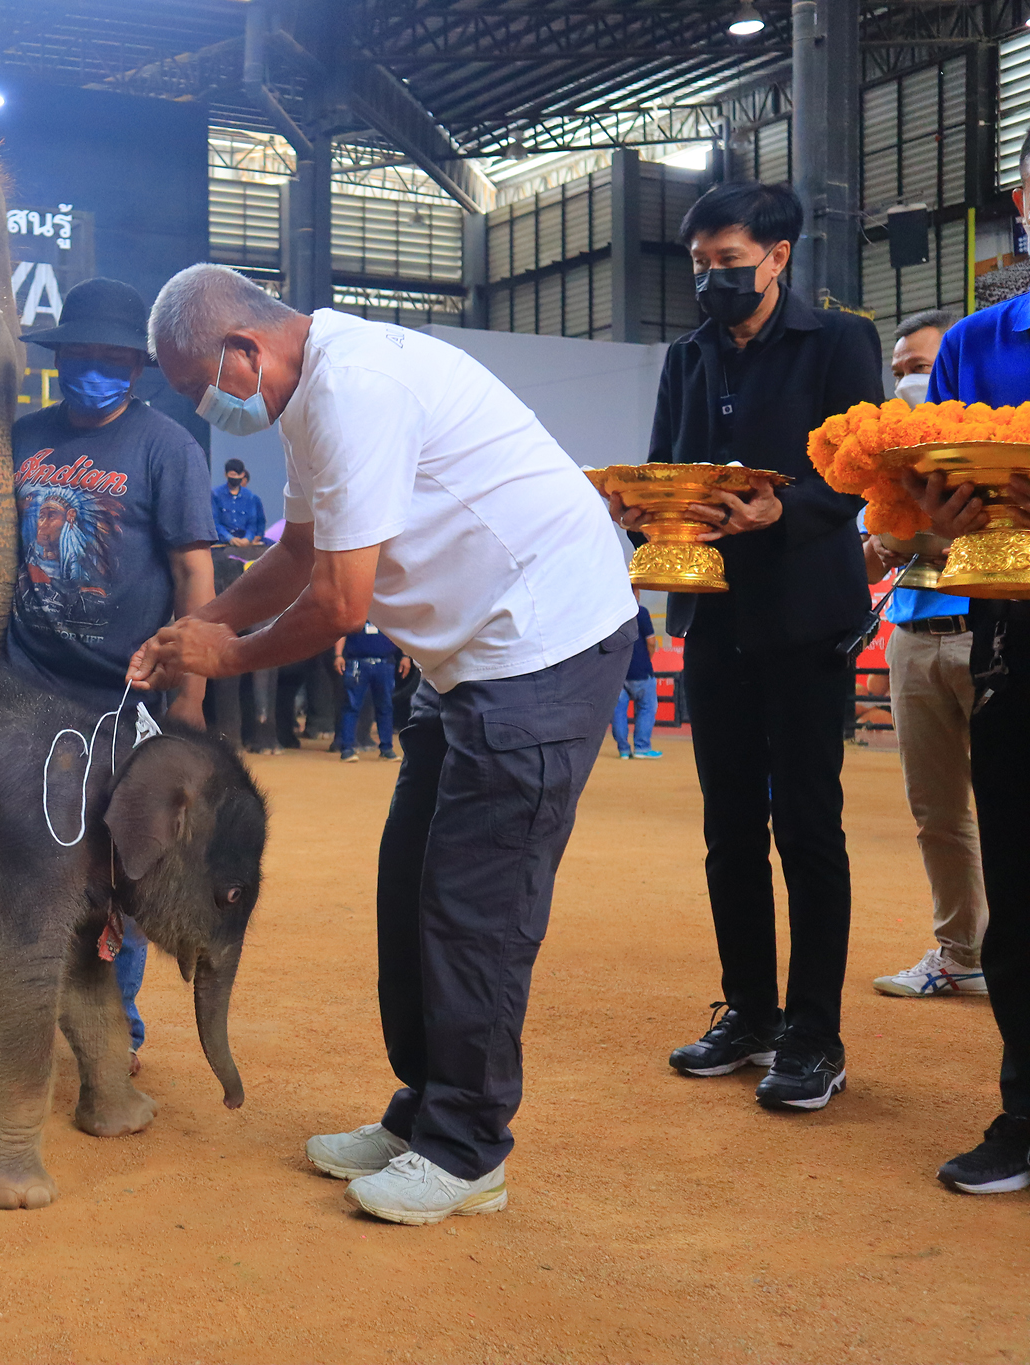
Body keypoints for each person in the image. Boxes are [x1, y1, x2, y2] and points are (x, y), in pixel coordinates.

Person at [133, 263, 634, 1225]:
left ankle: (468, 1148)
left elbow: (338, 603)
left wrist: (222, 656)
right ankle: (423, 1113)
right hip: (467, 662)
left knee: (475, 906)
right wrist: (195, 625)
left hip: (541, 648)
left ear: (243, 349)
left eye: (200, 382)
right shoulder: (312, 395)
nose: (206, 405)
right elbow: (294, 555)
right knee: (410, 887)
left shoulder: (358, 388)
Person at [622, 182, 880, 1111]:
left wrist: (787, 508)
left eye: (728, 265)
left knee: (807, 827)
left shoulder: (838, 342)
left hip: (806, 613)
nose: (711, 282)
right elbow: (661, 465)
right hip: (715, 616)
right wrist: (638, 515)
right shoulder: (688, 357)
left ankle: (815, 1032)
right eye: (699, 267)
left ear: (777, 257)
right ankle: (750, 1011)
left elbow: (859, 476)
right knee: (729, 829)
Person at [6, 277, 218, 1071]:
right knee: (27, 863)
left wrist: (190, 698)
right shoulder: (24, 435)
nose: (96, 371)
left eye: (113, 360)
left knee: (118, 869)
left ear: (136, 367)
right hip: (26, 692)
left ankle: (111, 1029)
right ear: (61, 360)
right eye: (82, 356)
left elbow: (195, 574)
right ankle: (22, 1016)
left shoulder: (168, 448)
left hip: (126, 700)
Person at [899, 131, 1030, 1192]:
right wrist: (937, 528)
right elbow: (929, 528)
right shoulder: (974, 346)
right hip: (1009, 643)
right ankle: (1023, 1116)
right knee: (1019, 891)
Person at [863, 309, 986, 1000]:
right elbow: (865, 557)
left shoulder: (993, 447)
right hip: (910, 642)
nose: (911, 379)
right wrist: (883, 539)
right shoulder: (885, 465)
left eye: (924, 366)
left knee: (1009, 801)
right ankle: (959, 951)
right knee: (936, 811)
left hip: (987, 629)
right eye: (902, 369)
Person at [331, 624, 401, 762]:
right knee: (352, 706)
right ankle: (347, 749)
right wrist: (338, 655)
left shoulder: (386, 612)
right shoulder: (357, 611)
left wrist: (405, 655)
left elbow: (400, 630)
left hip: (385, 663)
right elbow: (343, 631)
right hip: (357, 663)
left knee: (385, 707)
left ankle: (387, 748)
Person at [611, 603, 663, 759]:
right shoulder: (640, 612)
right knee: (647, 708)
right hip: (641, 671)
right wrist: (647, 659)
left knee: (618, 712)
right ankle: (642, 747)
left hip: (619, 672)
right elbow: (651, 641)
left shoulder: (612, 612)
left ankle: (624, 750)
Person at [212, 458, 269, 545]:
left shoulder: (250, 496)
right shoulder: (215, 494)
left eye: (239, 475)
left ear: (243, 475)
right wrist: (230, 538)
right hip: (222, 542)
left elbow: (252, 523)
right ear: (226, 474)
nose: (236, 478)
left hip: (246, 541)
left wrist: (247, 538)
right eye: (233, 474)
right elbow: (214, 522)